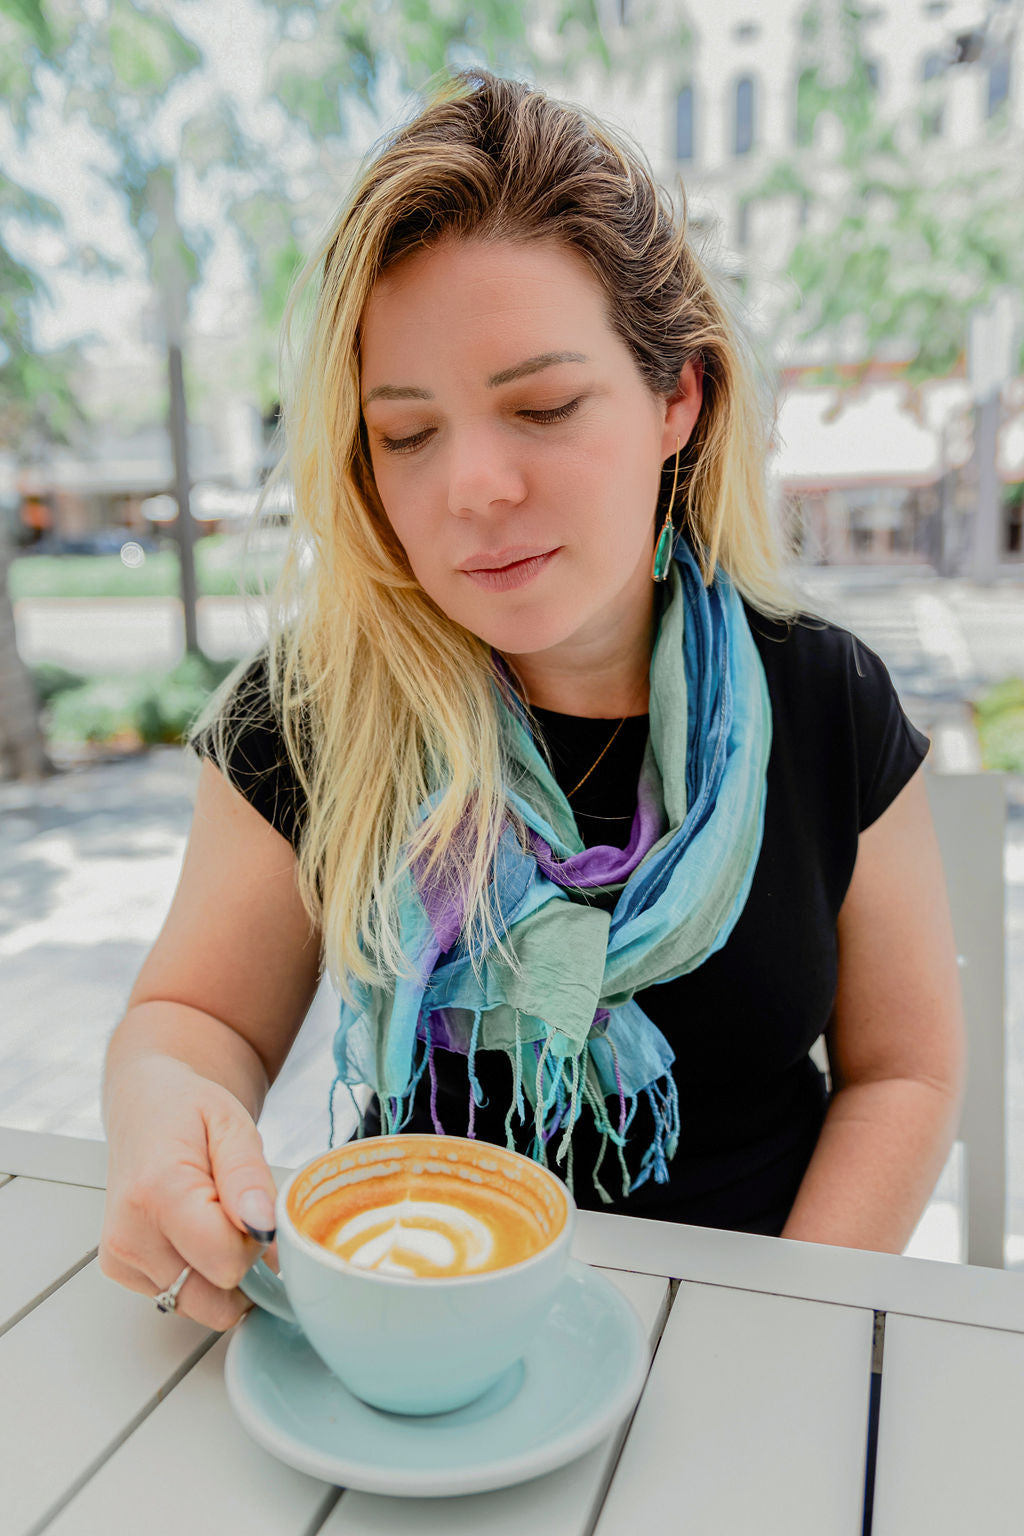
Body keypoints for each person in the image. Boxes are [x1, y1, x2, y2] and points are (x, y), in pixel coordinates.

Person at [99, 71, 965, 1332]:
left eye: (544, 407)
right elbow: (192, 1020)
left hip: (753, 1347)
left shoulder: (824, 699)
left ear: (681, 398)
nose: (475, 488)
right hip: (424, 1342)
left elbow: (905, 1072)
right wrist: (156, 1101)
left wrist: (787, 1330)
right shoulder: (312, 708)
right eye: (407, 433)